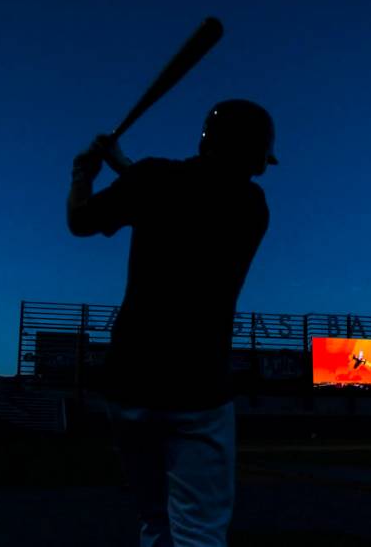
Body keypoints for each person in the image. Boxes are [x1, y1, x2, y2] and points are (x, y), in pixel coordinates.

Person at [67, 99, 277, 547]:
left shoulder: (153, 180)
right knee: (198, 533)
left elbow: (81, 220)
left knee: (155, 523)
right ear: (255, 155)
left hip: (128, 382)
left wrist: (85, 173)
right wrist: (127, 167)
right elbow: (184, 195)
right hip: (198, 389)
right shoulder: (253, 207)